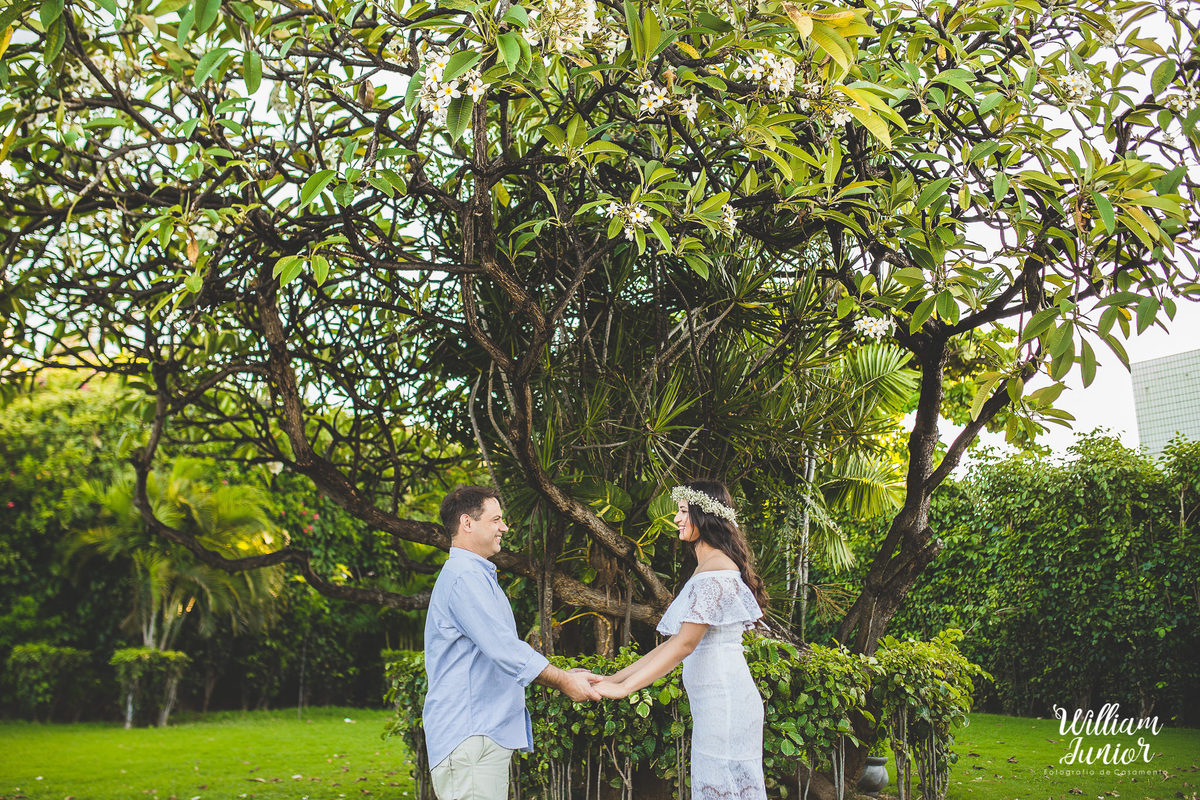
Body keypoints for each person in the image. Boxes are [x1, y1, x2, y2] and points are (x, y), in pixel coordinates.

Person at [424, 485, 602, 800]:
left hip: (478, 735)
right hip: (470, 735)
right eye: (495, 520)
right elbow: (504, 650)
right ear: (467, 523)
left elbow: (501, 648)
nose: (504, 527)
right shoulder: (465, 578)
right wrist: (562, 681)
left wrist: (563, 674)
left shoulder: (473, 575)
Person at [594, 480, 769, 800]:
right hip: (719, 701)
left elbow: (684, 645)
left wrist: (625, 689)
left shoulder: (714, 571)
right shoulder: (711, 566)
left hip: (724, 702)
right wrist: (612, 679)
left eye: (684, 511)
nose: (676, 518)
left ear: (705, 515)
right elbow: (675, 643)